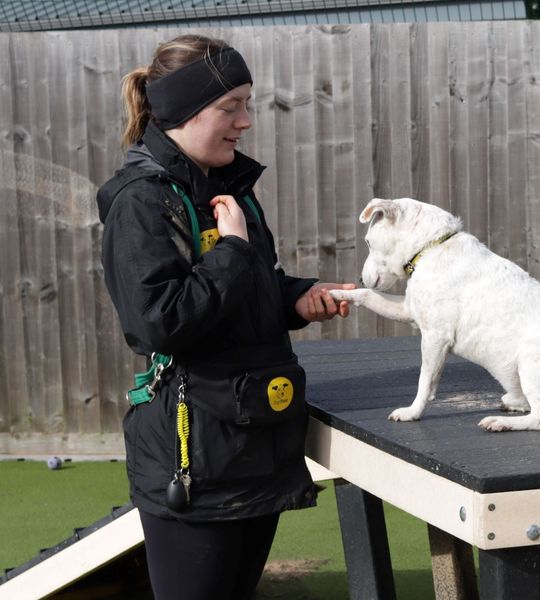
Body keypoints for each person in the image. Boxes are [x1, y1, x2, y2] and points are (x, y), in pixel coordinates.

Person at [96, 34, 354, 600]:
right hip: (194, 461)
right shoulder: (142, 201)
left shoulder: (227, 187)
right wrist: (234, 252)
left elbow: (240, 292)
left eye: (247, 103)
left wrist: (297, 298)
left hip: (251, 445)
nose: (246, 122)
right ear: (184, 111)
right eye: (230, 107)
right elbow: (156, 322)